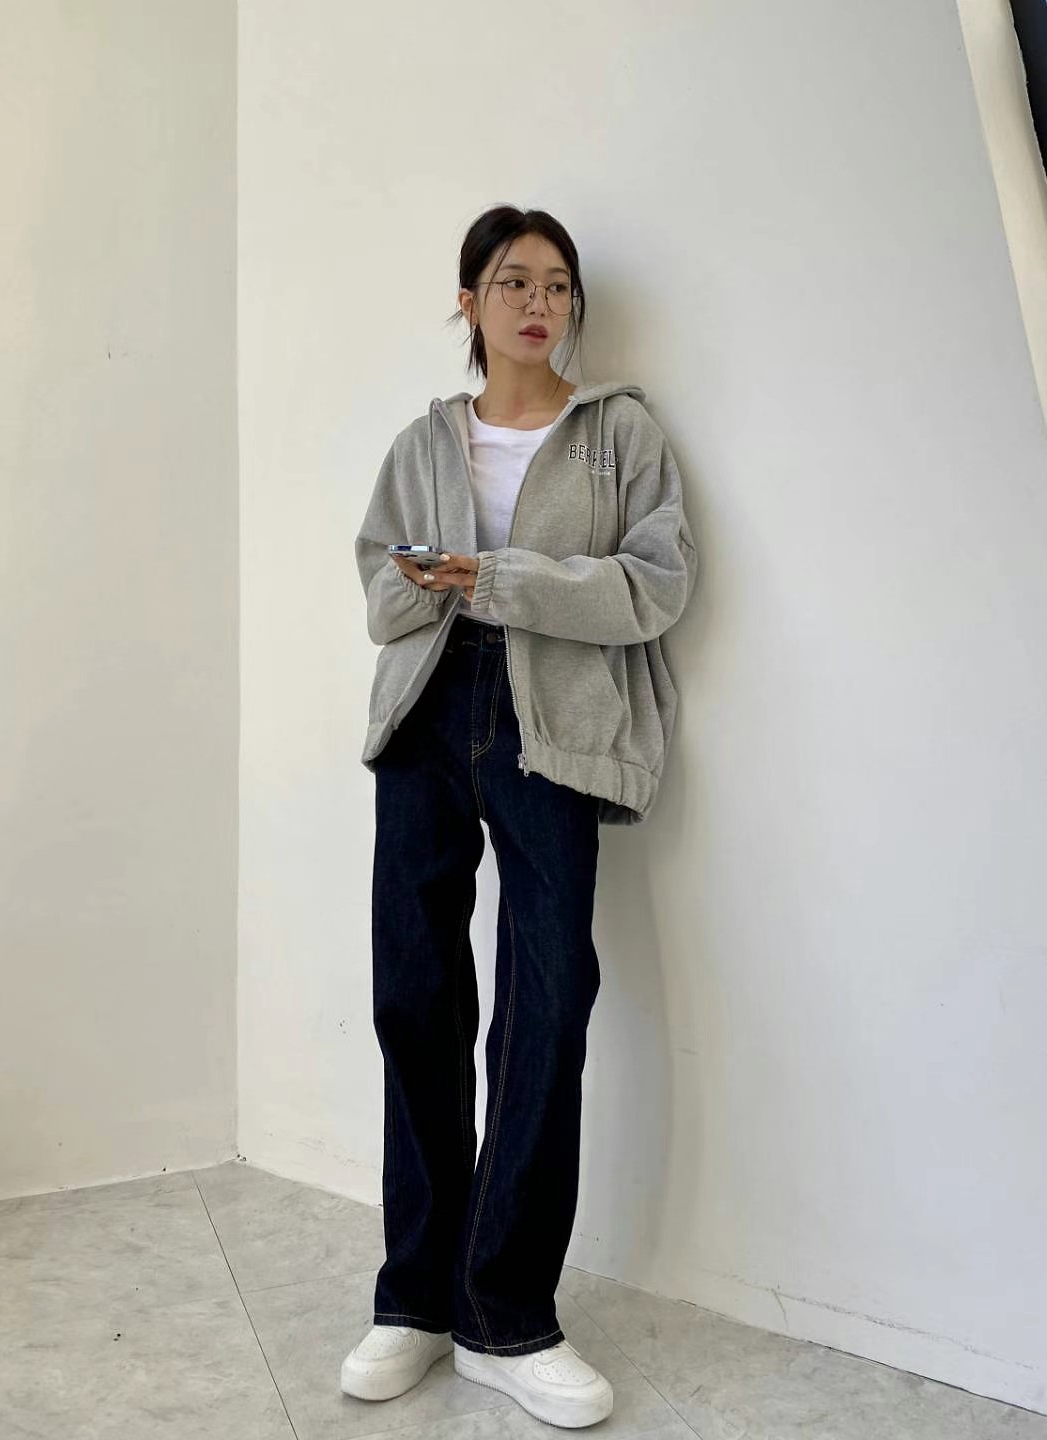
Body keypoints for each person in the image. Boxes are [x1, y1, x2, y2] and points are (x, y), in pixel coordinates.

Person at [342, 204, 698, 1429]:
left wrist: (494, 578)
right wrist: (427, 582)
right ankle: (416, 1299)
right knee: (415, 999)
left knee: (548, 1003)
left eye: (555, 284)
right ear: (469, 303)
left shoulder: (620, 435)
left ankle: (506, 1314)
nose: (537, 303)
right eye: (511, 282)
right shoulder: (421, 443)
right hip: (428, 713)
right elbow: (380, 596)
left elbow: (655, 585)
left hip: (557, 721)